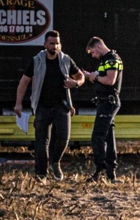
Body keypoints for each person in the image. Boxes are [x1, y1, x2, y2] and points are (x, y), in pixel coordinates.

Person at [13, 30, 84, 181]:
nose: (55, 46)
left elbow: (80, 76)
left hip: (62, 106)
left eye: (57, 43)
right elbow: (24, 82)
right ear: (45, 44)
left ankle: (55, 162)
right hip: (42, 106)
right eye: (52, 43)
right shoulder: (36, 60)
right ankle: (41, 174)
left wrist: (75, 83)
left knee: (64, 138)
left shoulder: (66, 60)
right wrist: (18, 103)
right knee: (41, 142)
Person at [82, 37, 124, 182]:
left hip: (108, 103)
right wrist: (90, 76)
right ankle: (110, 173)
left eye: (92, 52)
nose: (93, 55)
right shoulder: (105, 60)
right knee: (108, 137)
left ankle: (100, 170)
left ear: (98, 47)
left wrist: (95, 76)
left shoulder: (112, 59)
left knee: (97, 136)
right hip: (104, 103)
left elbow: (110, 80)